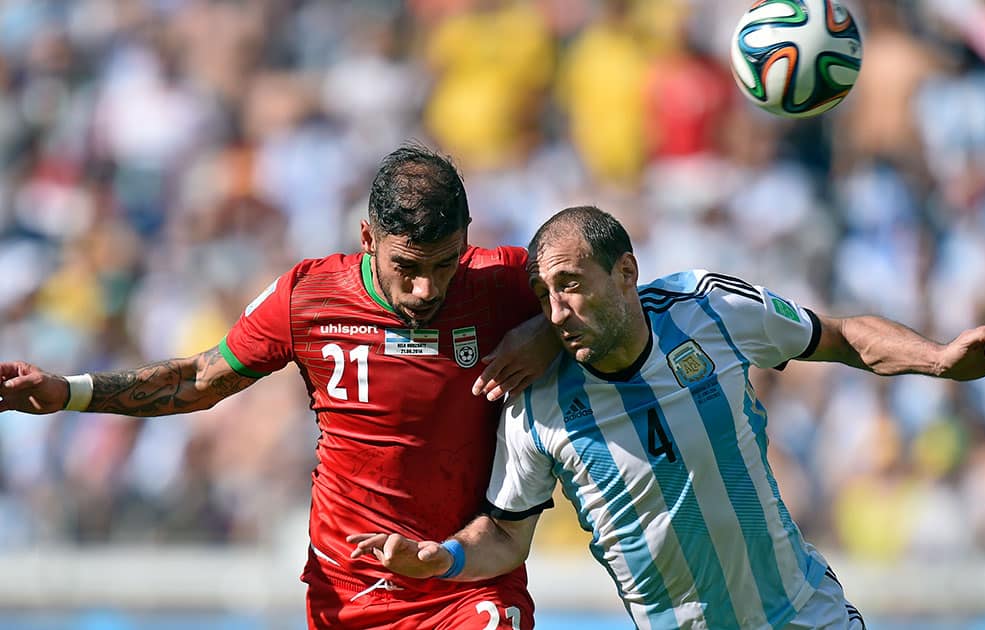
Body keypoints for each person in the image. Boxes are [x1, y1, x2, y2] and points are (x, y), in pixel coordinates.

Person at [348, 205, 985, 629]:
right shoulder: (538, 405)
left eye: (571, 283)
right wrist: (443, 558)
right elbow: (506, 535)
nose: (556, 309)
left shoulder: (709, 309)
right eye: (544, 295)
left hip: (807, 618)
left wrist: (938, 359)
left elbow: (842, 335)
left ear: (627, 271)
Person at [0, 145, 563, 630]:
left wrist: (550, 331)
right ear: (368, 237)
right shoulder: (308, 297)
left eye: (445, 264)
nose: (426, 288)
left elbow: (622, 306)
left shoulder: (503, 280)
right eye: (407, 266)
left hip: (469, 572)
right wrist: (68, 392)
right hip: (351, 585)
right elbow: (201, 379)